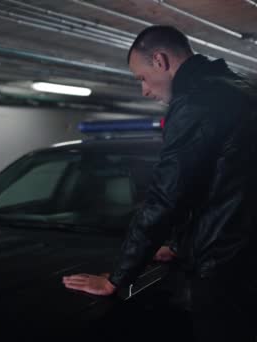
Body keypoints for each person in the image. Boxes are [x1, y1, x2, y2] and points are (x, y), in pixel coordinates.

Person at [62, 26, 257, 341]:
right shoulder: (240, 90)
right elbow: (223, 186)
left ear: (160, 60)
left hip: (227, 269)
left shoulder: (197, 103)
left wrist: (118, 278)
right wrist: (181, 245)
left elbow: (167, 197)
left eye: (141, 78)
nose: (144, 91)